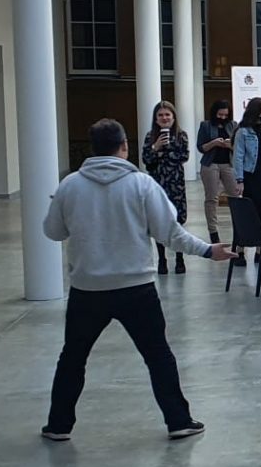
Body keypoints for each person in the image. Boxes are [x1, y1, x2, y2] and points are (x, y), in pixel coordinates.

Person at [40, 118, 233, 442]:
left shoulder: (69, 186)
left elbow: (53, 232)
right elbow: (170, 233)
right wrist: (206, 250)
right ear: (124, 146)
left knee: (72, 358)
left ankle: (58, 426)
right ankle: (179, 421)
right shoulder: (142, 184)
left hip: (87, 290)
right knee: (158, 355)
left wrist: (63, 210)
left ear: (92, 149)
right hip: (136, 289)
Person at [141, 101, 191, 275]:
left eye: (167, 114)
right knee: (158, 220)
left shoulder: (181, 135)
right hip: (157, 185)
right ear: (155, 119)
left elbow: (183, 157)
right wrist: (155, 147)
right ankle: (162, 259)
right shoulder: (150, 137)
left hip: (176, 185)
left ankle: (179, 258)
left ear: (173, 117)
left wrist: (163, 153)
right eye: (160, 115)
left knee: (177, 222)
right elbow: (147, 160)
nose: (164, 118)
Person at [231, 97, 261, 267]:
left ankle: (260, 250)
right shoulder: (243, 132)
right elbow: (238, 156)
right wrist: (239, 180)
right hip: (250, 175)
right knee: (248, 213)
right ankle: (240, 251)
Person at [195, 99, 236, 245]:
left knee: (236, 197)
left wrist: (230, 145)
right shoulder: (205, 126)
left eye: (225, 115)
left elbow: (239, 147)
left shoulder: (233, 125)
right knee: (212, 198)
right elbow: (201, 147)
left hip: (229, 164)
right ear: (214, 113)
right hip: (210, 164)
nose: (223, 118)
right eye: (220, 115)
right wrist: (214, 143)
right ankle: (213, 231)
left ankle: (239, 228)